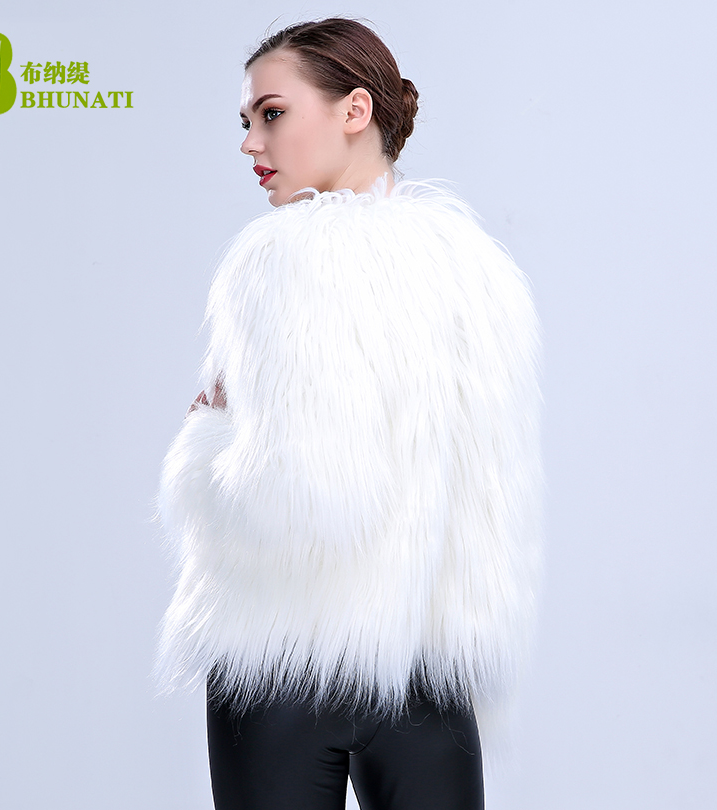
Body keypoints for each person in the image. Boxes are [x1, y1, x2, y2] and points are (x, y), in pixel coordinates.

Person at [156, 18, 542, 810]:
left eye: (272, 113)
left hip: (280, 664)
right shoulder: (476, 271)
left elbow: (294, 501)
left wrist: (209, 439)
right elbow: (486, 498)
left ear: (355, 110)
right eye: (247, 121)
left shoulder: (275, 262)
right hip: (426, 668)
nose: (250, 142)